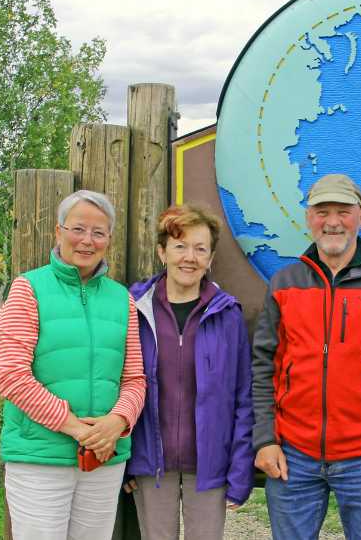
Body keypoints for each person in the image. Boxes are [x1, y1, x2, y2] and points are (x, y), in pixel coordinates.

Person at [252, 174, 361, 540]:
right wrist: (265, 439)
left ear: (360, 217)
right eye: (322, 211)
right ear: (308, 218)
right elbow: (263, 366)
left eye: (343, 212)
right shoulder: (284, 284)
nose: (332, 221)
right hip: (293, 456)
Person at [0, 189, 146, 539]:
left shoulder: (122, 299)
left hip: (103, 460)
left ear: (109, 239)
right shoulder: (28, 289)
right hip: (39, 457)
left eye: (98, 232)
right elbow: (13, 377)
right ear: (58, 232)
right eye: (78, 229)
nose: (87, 241)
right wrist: (79, 430)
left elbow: (135, 379)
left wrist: (116, 422)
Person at [125, 204, 254, 540]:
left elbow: (243, 397)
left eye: (200, 249)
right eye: (180, 246)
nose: (189, 257)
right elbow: (118, 385)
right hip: (150, 462)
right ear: (162, 252)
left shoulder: (228, 315)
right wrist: (124, 459)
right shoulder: (133, 310)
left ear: (210, 258)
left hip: (209, 466)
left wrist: (240, 470)